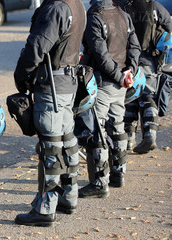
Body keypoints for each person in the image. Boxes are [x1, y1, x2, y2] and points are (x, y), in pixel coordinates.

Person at [13, 0, 86, 226]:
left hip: (51, 85)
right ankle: (69, 196)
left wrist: (21, 75)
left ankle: (45, 209)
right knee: (67, 141)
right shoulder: (76, 5)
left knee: (51, 146)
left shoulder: (56, 8)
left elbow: (36, 47)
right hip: (68, 83)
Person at [77, 0, 141, 198]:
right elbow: (135, 47)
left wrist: (121, 76)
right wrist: (130, 71)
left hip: (103, 82)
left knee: (98, 130)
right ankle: (118, 173)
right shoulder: (123, 15)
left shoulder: (95, 17)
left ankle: (99, 181)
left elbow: (100, 54)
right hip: (121, 82)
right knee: (118, 126)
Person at [116, 0, 172, 154]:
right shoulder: (154, 7)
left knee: (129, 99)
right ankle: (150, 137)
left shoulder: (121, 6)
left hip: (128, 59)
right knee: (148, 97)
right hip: (150, 58)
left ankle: (128, 139)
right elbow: (168, 28)